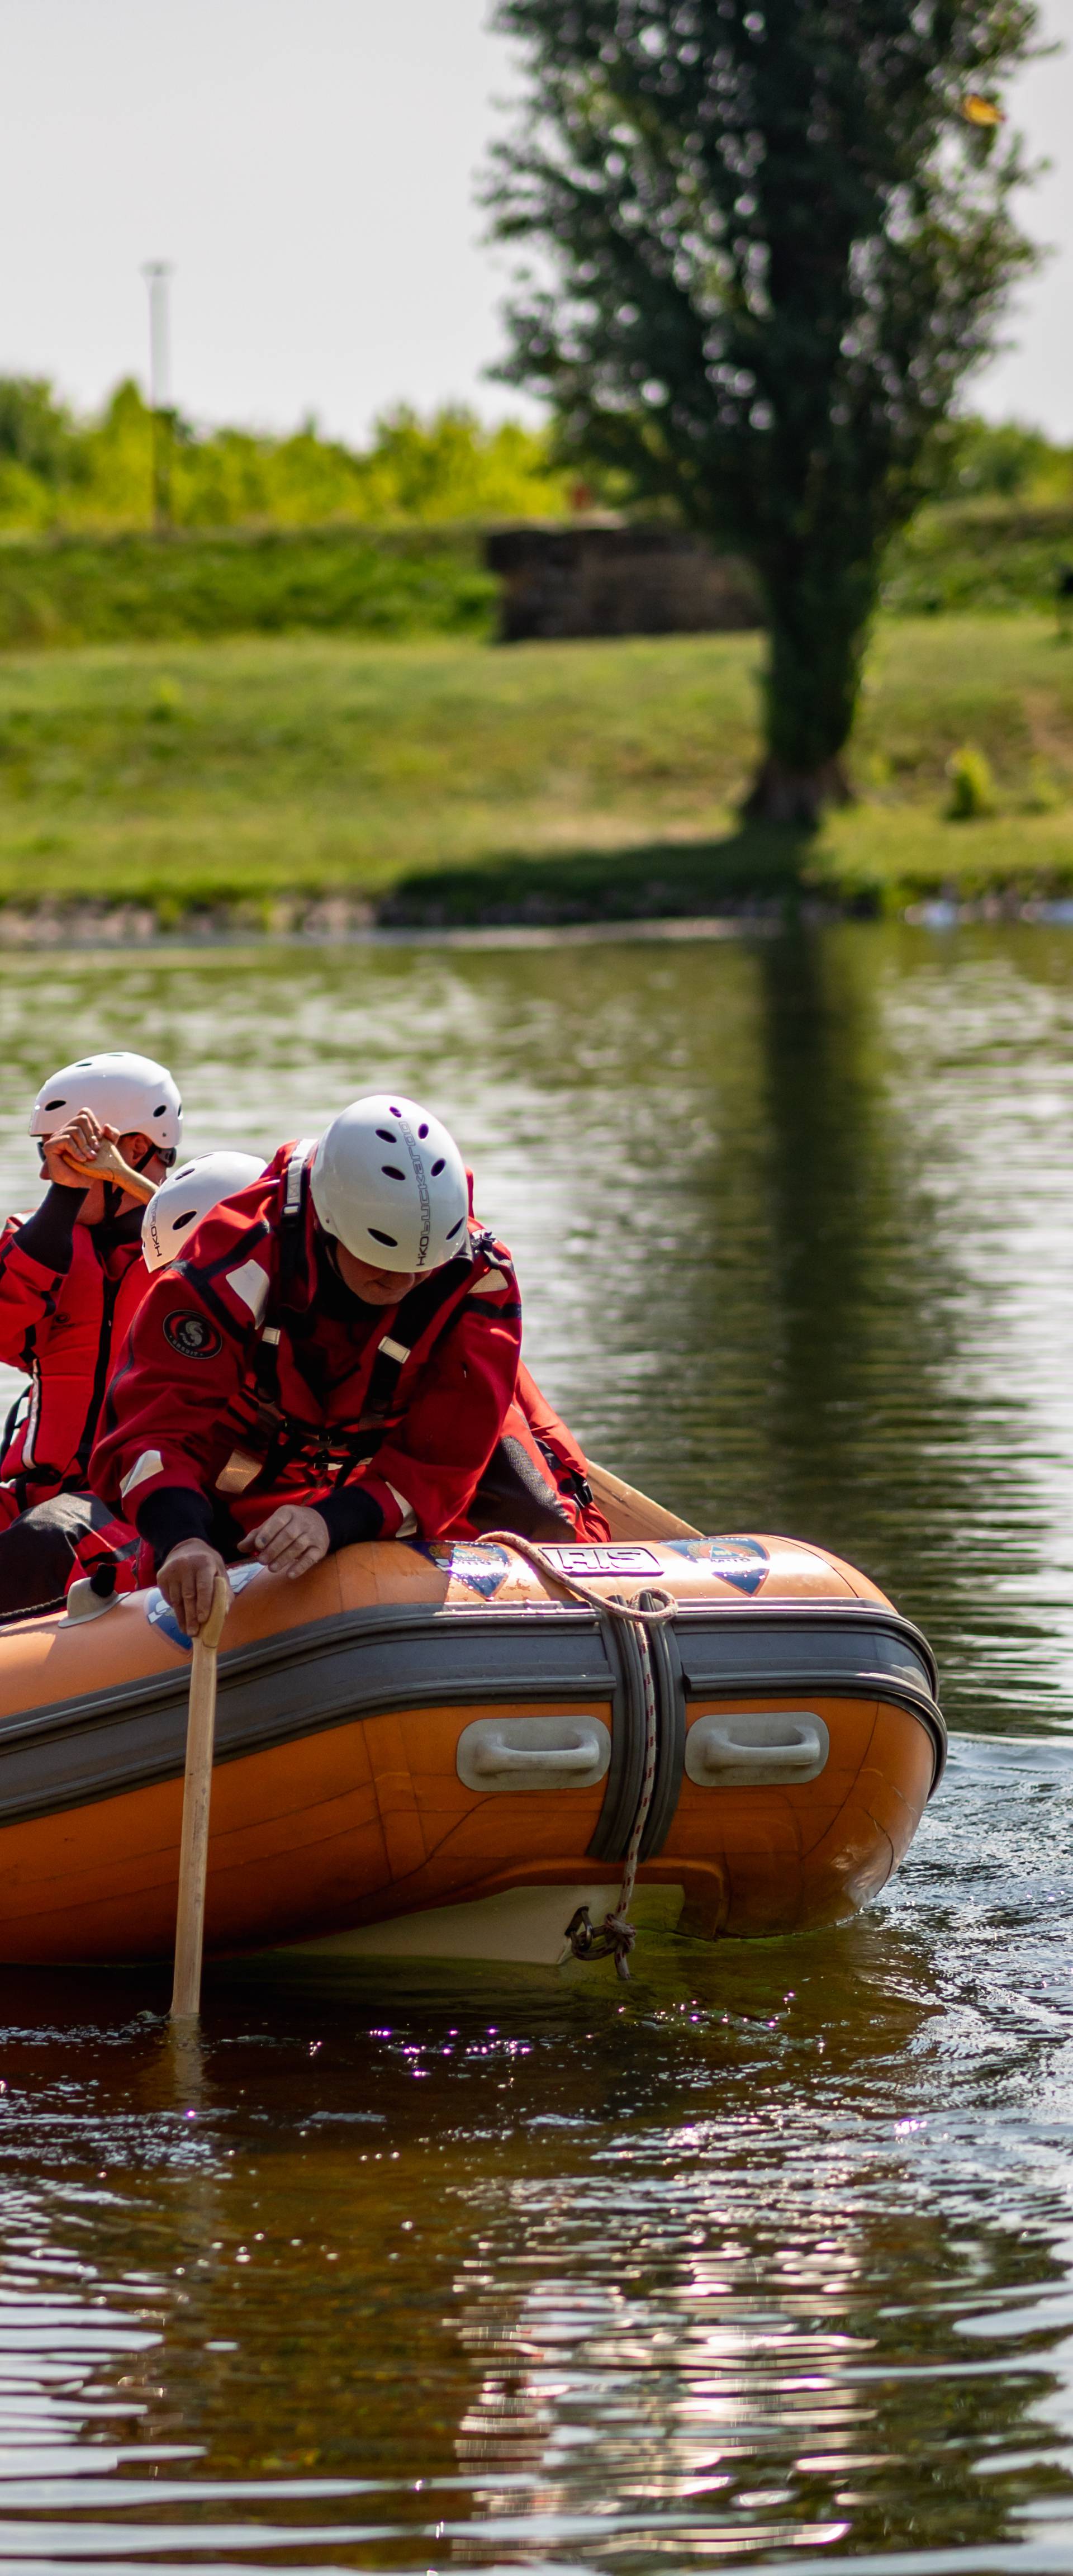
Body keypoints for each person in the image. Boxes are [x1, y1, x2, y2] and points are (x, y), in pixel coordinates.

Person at [91, 1093, 542, 1635]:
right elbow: (150, 1428)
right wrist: (181, 1539)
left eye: (420, 1272)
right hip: (219, 1504)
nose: (402, 1285)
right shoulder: (235, 1260)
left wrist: (333, 1522)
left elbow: (445, 1461)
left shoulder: (474, 1276)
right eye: (380, 1266)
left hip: (370, 1507)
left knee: (545, 1516)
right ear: (328, 1225)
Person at [0, 1050, 183, 1613]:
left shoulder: (193, 1251)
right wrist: (69, 1190)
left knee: (45, 1538)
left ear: (134, 1150)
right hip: (32, 1497)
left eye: (56, 1155)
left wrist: (124, 1180)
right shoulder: (38, 1241)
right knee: (38, 1530)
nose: (45, 1171)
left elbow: (222, 1259)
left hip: (137, 1506)